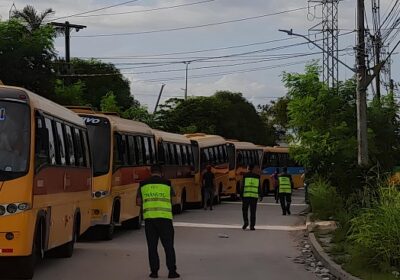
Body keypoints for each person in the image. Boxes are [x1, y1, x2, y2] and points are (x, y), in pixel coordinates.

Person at [137, 165, 180, 279]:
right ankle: (172, 272)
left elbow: (138, 202)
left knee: (152, 247)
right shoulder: (167, 183)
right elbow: (174, 200)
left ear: (150, 172)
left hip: (150, 220)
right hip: (165, 219)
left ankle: (154, 272)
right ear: (161, 172)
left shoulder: (143, 184)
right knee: (168, 246)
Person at [241, 163, 262, 230]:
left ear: (248, 168)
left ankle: (246, 222)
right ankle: (252, 226)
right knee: (253, 211)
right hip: (254, 196)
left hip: (246, 196)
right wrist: (261, 195)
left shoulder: (245, 175)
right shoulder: (257, 176)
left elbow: (243, 186)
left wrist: (241, 195)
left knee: (245, 210)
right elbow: (259, 187)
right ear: (253, 169)